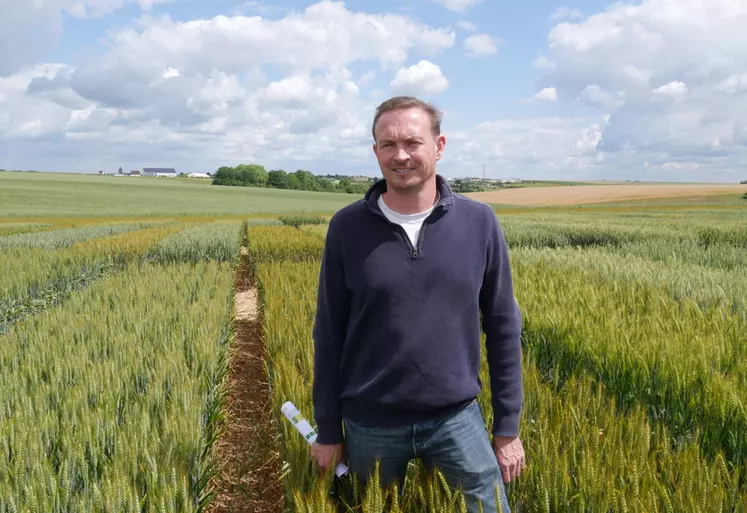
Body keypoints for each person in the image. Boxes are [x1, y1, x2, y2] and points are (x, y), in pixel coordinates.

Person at [310, 95, 525, 513]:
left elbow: (502, 326)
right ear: (375, 152)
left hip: (456, 418)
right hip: (370, 422)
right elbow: (329, 332)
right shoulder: (346, 227)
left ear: (439, 146)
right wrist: (327, 430)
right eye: (388, 145)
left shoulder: (479, 223)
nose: (401, 155)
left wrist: (507, 427)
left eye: (413, 142)